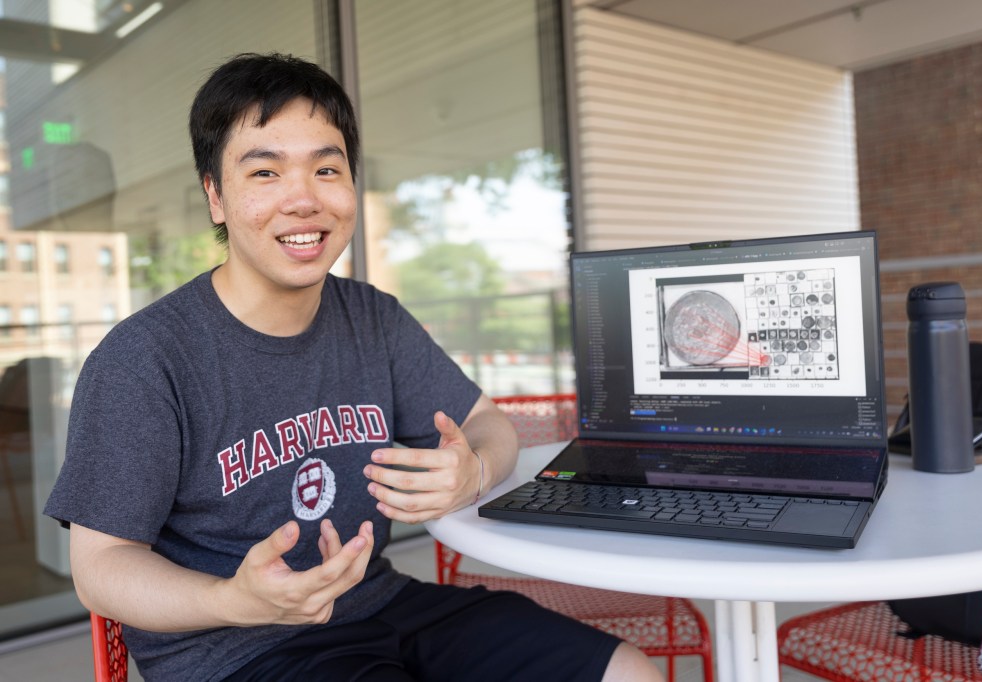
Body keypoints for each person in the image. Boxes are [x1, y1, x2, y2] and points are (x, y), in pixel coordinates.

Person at [44, 53, 663, 682]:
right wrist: (231, 599)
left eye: (327, 168)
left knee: (625, 670)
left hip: (383, 604)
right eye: (265, 172)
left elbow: (487, 423)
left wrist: (471, 470)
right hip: (242, 648)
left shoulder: (372, 316)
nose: (303, 199)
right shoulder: (145, 359)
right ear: (216, 197)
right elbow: (101, 569)